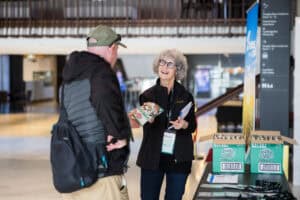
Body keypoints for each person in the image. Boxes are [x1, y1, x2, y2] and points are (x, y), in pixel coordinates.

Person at [61, 25, 132, 200]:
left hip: (73, 170)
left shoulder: (69, 77)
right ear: (112, 48)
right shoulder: (102, 73)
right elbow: (111, 117)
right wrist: (122, 137)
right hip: (102, 173)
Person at [134, 49, 197, 200]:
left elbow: (192, 126)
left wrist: (183, 125)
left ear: (178, 69)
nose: (165, 67)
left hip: (179, 157)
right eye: (162, 62)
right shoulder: (148, 95)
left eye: (170, 64)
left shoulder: (185, 95)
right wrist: (148, 118)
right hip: (152, 157)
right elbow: (141, 122)